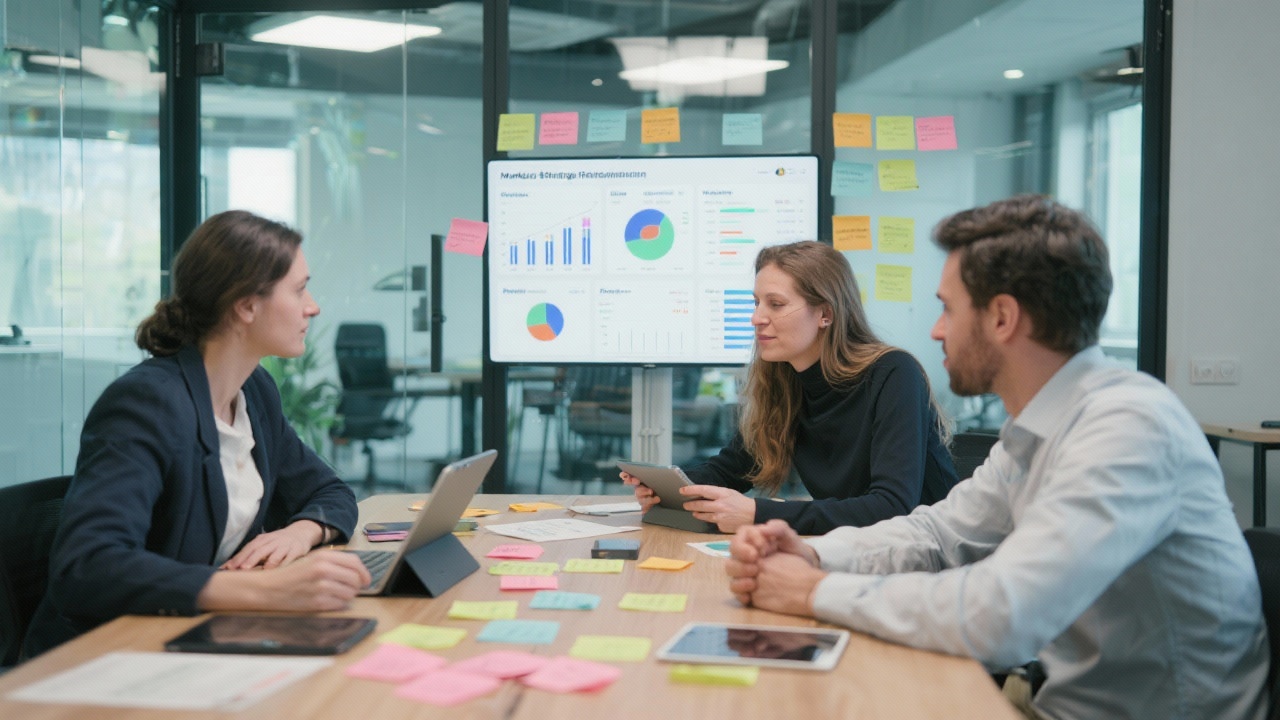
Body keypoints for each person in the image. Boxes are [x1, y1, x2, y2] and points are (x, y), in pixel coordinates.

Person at [725, 196, 1269, 720]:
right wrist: (815, 553)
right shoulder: (1038, 426)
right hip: (1051, 697)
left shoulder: (1127, 429)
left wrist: (815, 591)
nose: (936, 330)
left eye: (948, 309)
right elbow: (939, 534)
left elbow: (1002, 614)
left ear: (1002, 318)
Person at [24, 210, 371, 657]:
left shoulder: (254, 390)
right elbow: (88, 566)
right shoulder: (147, 403)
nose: (313, 306)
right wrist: (267, 590)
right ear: (246, 305)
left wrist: (299, 533)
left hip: (201, 636)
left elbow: (329, 490)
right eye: (299, 289)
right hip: (107, 654)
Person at [623, 241, 958, 535]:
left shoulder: (893, 373)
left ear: (825, 314)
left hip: (930, 557)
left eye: (776, 304)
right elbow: (732, 469)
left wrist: (758, 513)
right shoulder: (785, 380)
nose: (756, 317)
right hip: (860, 550)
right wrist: (669, 487)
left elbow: (891, 506)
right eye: (756, 302)